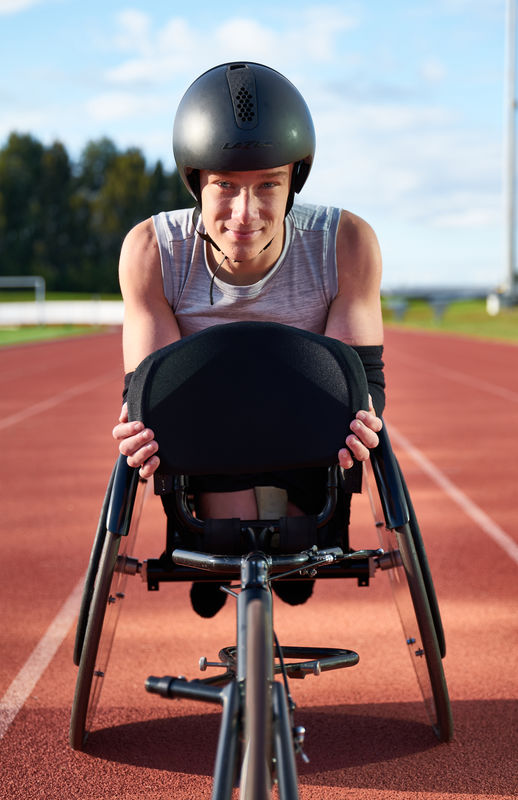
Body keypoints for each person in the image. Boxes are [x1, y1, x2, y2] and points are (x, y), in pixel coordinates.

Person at [112, 61, 384, 617]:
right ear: (196, 182)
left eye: (268, 185)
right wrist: (136, 429)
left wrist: (365, 421)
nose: (245, 212)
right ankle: (209, 549)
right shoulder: (152, 253)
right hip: (205, 448)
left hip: (310, 444)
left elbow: (355, 386)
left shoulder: (345, 243)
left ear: (293, 183)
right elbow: (151, 391)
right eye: (225, 186)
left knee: (297, 552)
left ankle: (299, 549)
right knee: (223, 536)